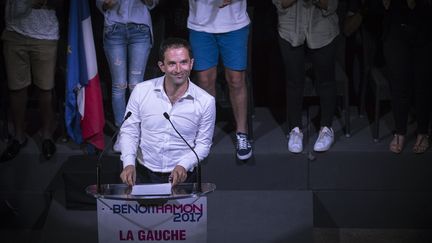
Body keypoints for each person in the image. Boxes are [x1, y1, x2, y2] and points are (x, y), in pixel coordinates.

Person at [119, 38, 216, 186]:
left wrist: (184, 164)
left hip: (184, 176)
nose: (178, 69)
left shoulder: (206, 101)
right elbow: (129, 131)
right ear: (162, 66)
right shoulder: (141, 91)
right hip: (145, 174)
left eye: (183, 62)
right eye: (172, 63)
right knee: (148, 210)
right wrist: (128, 163)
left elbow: (203, 144)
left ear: (191, 63)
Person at [187, 0, 253, 160]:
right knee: (204, 80)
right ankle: (205, 134)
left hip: (235, 24)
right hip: (200, 24)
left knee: (236, 79)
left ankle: (242, 133)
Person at [273, 0, 340, 153]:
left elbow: (331, 4)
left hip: (323, 26)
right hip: (290, 27)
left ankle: (326, 128)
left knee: (326, 80)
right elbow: (280, 3)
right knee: (294, 81)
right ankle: (295, 129)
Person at [95, 0, 158, 151]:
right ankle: (122, 133)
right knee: (119, 84)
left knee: (136, 84)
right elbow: (102, 4)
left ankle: (137, 132)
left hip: (140, 28)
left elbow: (152, 3)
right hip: (114, 28)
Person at [0, 0, 59, 162]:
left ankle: (47, 135)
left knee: (45, 88)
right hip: (14, 32)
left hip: (45, 34)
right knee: (16, 88)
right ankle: (19, 137)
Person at [381, 0, 432, 153]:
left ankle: (423, 132)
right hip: (397, 25)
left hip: (425, 25)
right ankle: (400, 131)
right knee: (398, 83)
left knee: (423, 83)